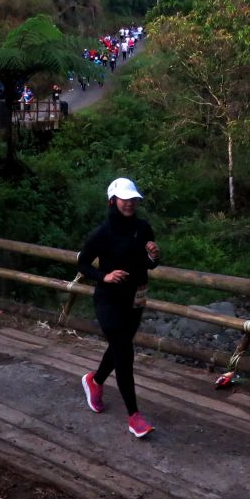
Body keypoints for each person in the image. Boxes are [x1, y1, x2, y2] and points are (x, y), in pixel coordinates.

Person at [77, 178, 160, 438]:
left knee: (119, 347)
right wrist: (105, 276)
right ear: (113, 201)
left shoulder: (143, 228)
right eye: (125, 199)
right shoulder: (102, 233)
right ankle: (134, 416)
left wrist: (153, 256)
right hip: (109, 300)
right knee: (125, 352)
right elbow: (82, 263)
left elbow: (148, 264)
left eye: (133, 199)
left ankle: (95, 381)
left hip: (135, 298)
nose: (130, 203)